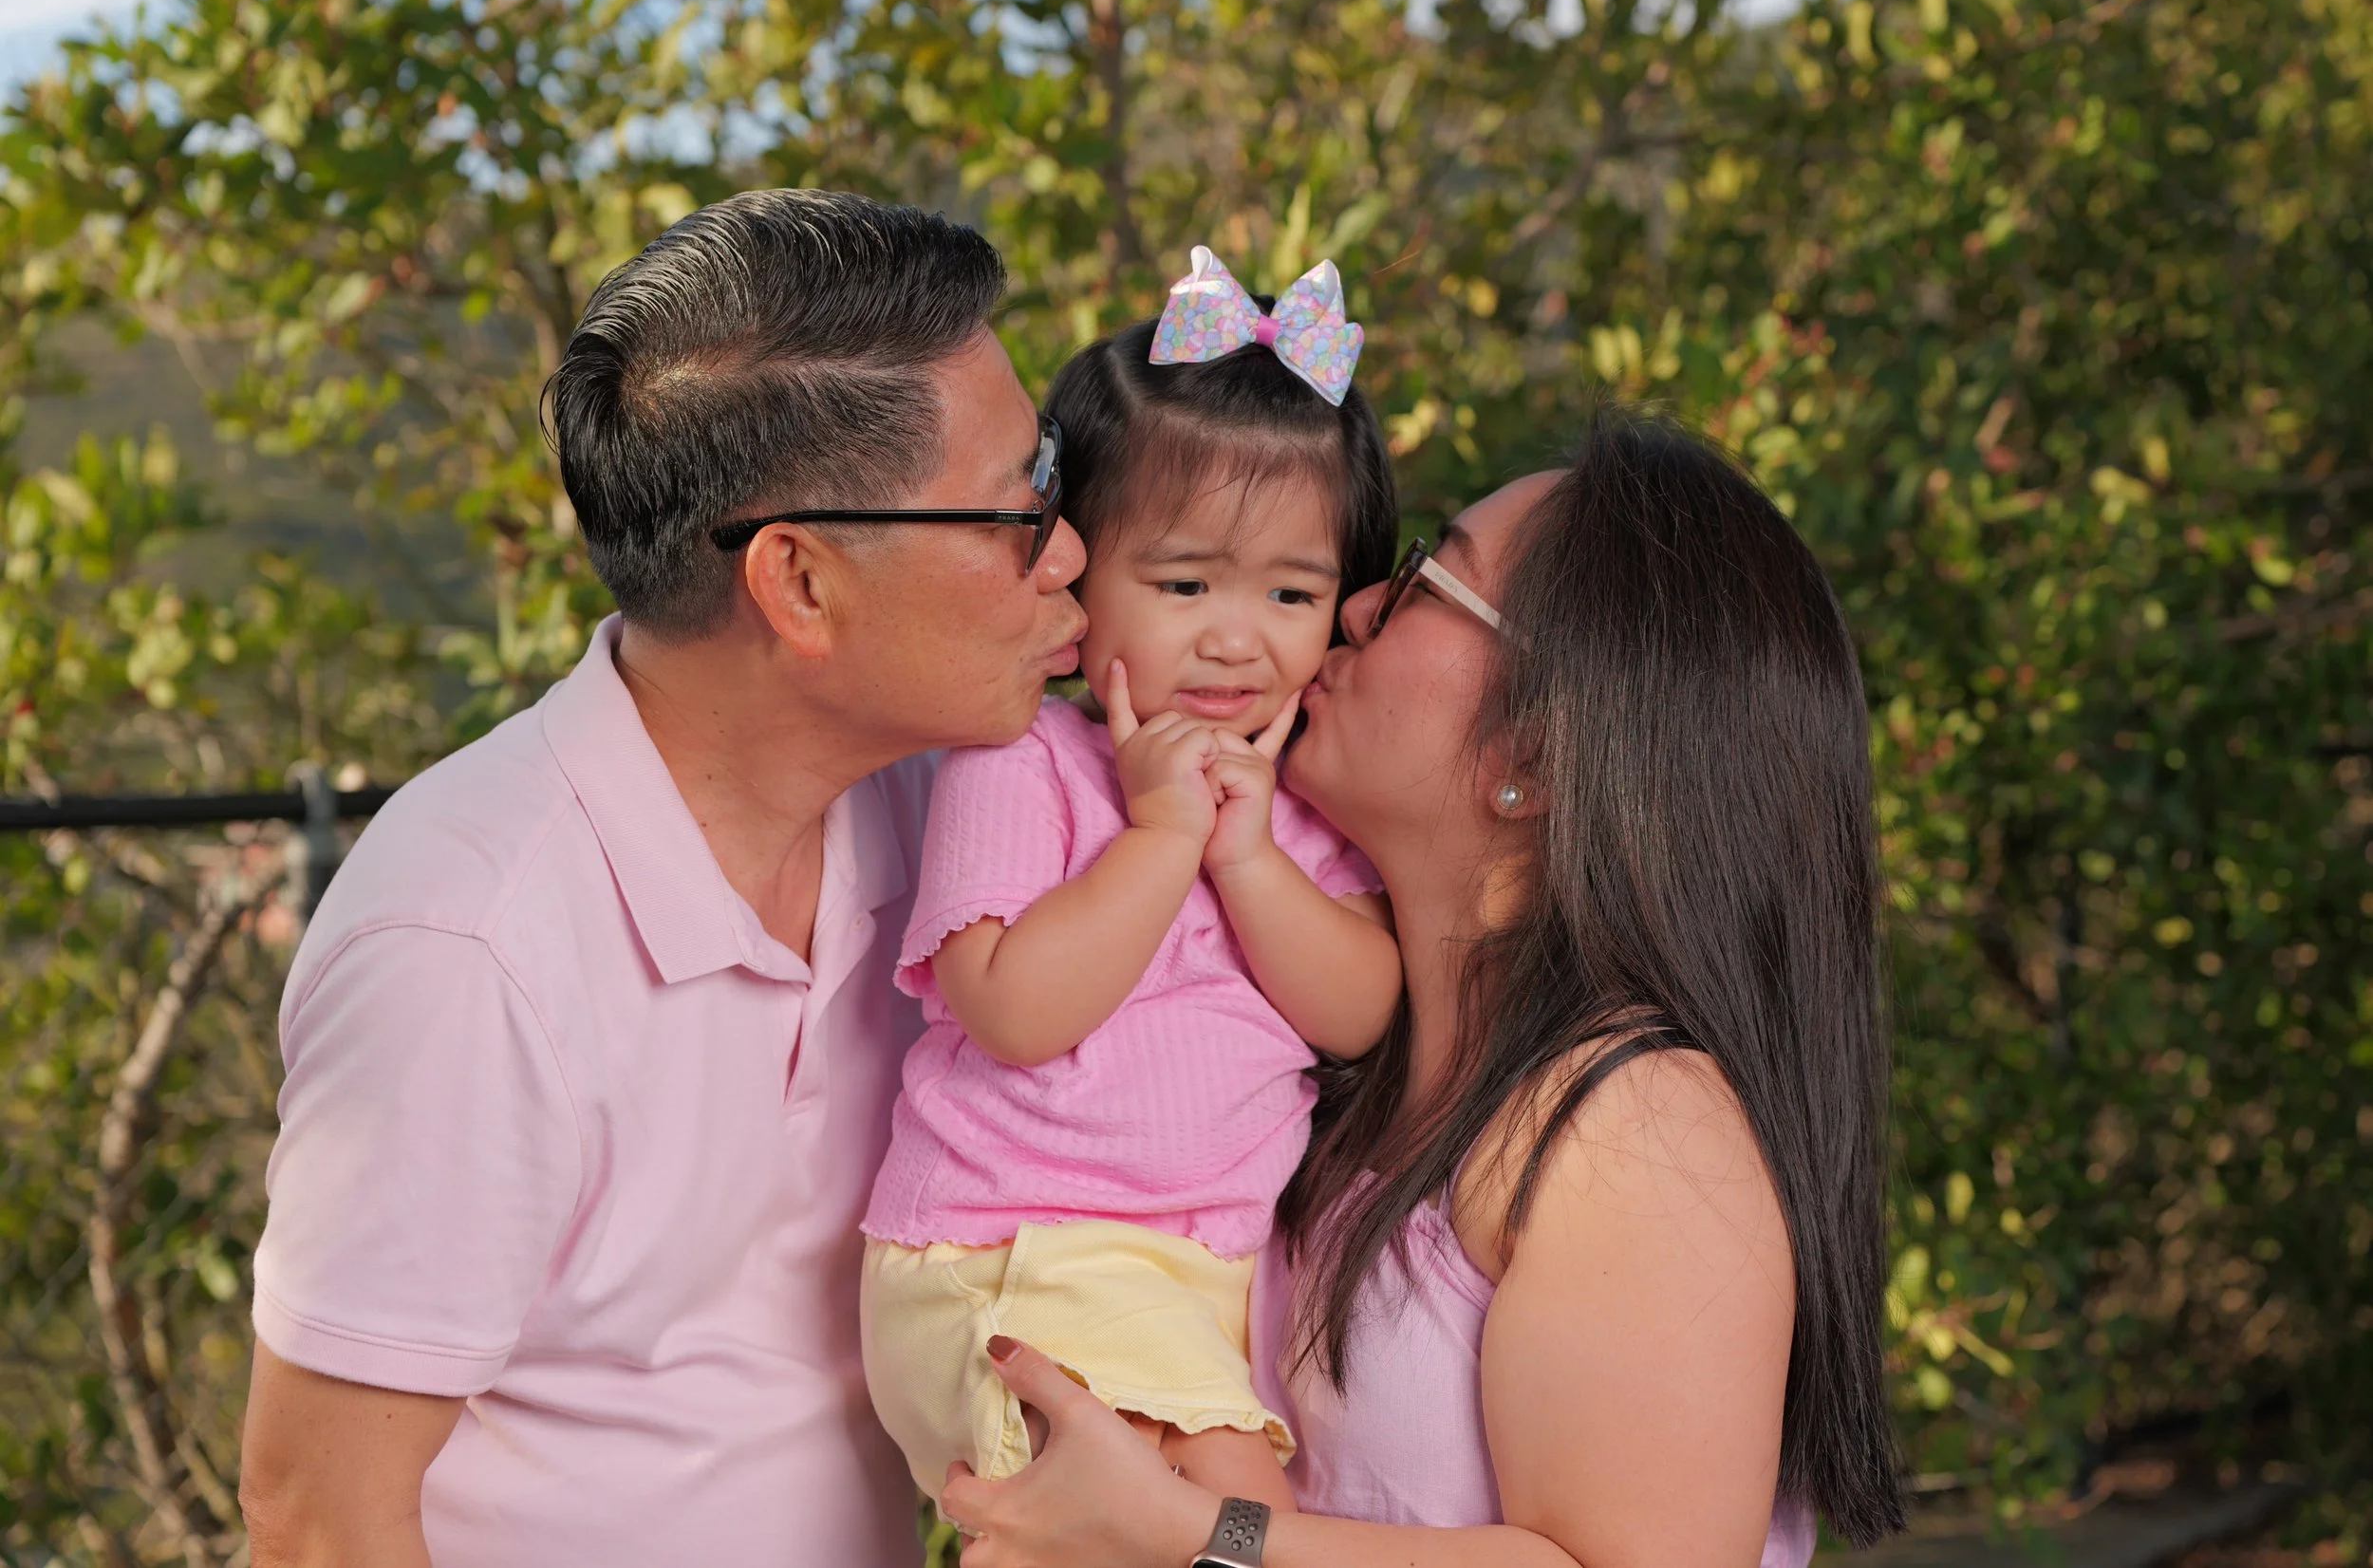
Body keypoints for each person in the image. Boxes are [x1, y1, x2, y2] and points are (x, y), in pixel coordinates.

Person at [234, 189, 1088, 1568]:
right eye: (1019, 508)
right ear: (799, 583)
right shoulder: (466, 949)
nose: (1071, 552)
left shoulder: (940, 809)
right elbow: (317, 1517)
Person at [937, 406, 1910, 1567]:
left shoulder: (1634, 1124)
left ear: (1534, 752)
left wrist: (1200, 1535)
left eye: (1420, 582)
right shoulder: (1325, 1070)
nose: (1352, 606)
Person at [858, 247, 1403, 1517]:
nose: (1235, 634)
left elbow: (1361, 1009)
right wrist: (1161, 836)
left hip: (1197, 1274)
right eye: (1183, 582)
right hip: (1019, 1247)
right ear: (1074, 575)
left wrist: (1245, 854)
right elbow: (1012, 1009)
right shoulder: (1028, 762)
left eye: (1291, 591)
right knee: (1230, 1515)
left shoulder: (1303, 802)